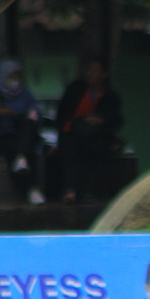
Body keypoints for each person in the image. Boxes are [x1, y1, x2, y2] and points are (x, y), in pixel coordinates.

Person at [55, 56, 125, 204]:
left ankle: (91, 191)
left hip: (95, 136)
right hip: (70, 133)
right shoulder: (75, 89)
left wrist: (101, 119)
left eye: (94, 71)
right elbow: (62, 115)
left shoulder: (111, 97)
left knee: (96, 148)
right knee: (70, 147)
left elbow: (116, 120)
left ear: (104, 74)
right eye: (88, 71)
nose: (90, 74)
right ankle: (70, 190)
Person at [0, 59, 46, 205]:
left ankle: (22, 160)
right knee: (22, 149)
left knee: (27, 140)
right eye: (11, 76)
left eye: (17, 76)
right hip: (2, 136)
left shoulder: (25, 94)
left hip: (23, 134)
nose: (15, 80)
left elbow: (37, 115)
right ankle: (32, 189)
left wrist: (31, 114)